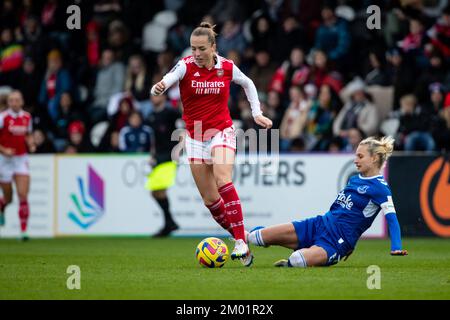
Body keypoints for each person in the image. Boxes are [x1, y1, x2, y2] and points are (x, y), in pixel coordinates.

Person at [151, 22, 272, 266]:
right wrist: (162, 85)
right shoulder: (185, 66)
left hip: (222, 131)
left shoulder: (226, 66)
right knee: (210, 201)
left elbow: (248, 83)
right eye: (193, 48)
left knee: (222, 179)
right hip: (195, 137)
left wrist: (257, 112)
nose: (196, 54)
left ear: (213, 47)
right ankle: (243, 237)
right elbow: (171, 76)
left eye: (201, 49)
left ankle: (239, 242)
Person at [247, 136, 408, 267]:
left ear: (373, 158)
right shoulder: (354, 179)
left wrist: (396, 247)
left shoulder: (380, 188)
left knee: (297, 259)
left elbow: (392, 219)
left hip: (336, 242)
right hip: (319, 224)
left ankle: (293, 260)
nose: (355, 160)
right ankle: (259, 242)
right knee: (255, 237)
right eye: (355, 155)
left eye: (360, 156)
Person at [0, 90, 36, 240]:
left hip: (21, 159)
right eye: (11, 100)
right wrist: (4, 150)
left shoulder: (27, 117)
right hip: (4, 161)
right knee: (9, 198)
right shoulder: (3, 118)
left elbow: (28, 134)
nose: (14, 103)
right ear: (8, 103)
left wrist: (31, 143)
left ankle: (23, 231)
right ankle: (2, 206)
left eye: (17, 100)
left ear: (21, 102)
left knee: (23, 195)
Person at [146, 93, 181, 237]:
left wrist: (179, 150)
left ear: (164, 97)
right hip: (159, 156)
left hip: (169, 155)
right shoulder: (151, 116)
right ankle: (169, 223)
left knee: (159, 191)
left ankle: (169, 224)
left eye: (157, 95)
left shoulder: (171, 113)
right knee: (155, 192)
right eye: (152, 95)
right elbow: (154, 138)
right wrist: (152, 155)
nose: (154, 98)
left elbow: (181, 131)